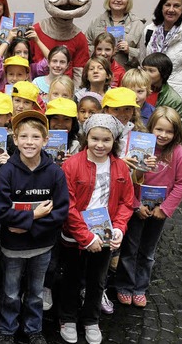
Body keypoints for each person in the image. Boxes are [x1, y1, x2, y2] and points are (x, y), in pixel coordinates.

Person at [0, 110, 69, 344]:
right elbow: (1, 211)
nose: (29, 142)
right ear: (14, 139)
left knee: (36, 293)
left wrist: (27, 226)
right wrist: (34, 215)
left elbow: (60, 212)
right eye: (23, 137)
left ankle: (33, 328)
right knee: (10, 292)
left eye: (35, 137)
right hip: (12, 247)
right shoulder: (6, 172)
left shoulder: (55, 172)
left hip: (42, 246)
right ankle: (7, 329)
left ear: (45, 140)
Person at [59, 113, 135, 344]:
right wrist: (85, 236)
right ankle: (68, 318)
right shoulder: (71, 165)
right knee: (71, 278)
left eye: (106, 140)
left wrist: (120, 228)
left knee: (97, 280)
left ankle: (92, 319)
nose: (100, 145)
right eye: (95, 139)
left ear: (114, 142)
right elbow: (68, 205)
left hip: (104, 235)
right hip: (75, 235)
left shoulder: (120, 167)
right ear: (86, 138)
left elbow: (126, 202)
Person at [114, 107, 182, 308]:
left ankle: (140, 287)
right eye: (159, 129)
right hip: (136, 208)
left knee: (147, 251)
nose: (164, 135)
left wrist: (164, 209)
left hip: (159, 211)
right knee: (129, 248)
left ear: (176, 133)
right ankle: (123, 285)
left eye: (169, 131)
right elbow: (127, 179)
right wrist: (136, 205)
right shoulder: (140, 147)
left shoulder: (178, 153)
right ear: (151, 128)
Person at [140, 0, 182, 109]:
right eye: (167, 5)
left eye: (176, 6)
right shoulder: (149, 30)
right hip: (149, 95)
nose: (171, 10)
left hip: (176, 96)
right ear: (161, 7)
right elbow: (142, 63)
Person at [86, 0, 145, 67]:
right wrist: (99, 49)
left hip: (125, 75)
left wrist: (129, 50)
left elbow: (145, 54)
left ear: (128, 1)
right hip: (99, 72)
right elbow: (84, 48)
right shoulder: (96, 21)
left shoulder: (137, 24)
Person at [141, 52, 182, 119]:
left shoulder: (173, 100)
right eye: (144, 69)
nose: (145, 74)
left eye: (151, 71)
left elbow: (176, 126)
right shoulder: (136, 88)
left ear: (163, 73)